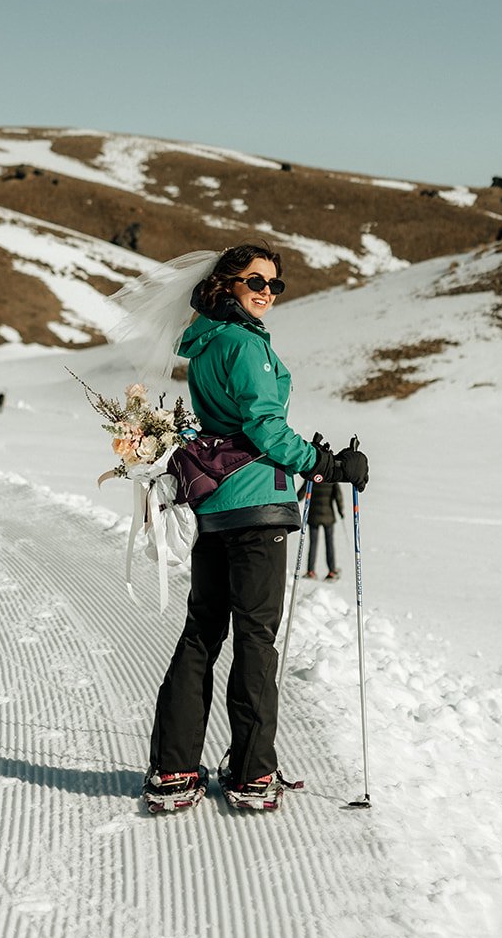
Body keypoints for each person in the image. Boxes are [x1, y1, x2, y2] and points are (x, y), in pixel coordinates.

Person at [143, 243, 369, 813]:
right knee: (254, 640)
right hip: (256, 510)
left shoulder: (207, 343)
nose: (267, 291)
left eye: (275, 284)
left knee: (201, 635)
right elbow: (266, 428)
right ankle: (251, 774)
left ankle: (173, 770)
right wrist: (328, 464)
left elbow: (233, 423)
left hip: (214, 504)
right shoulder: (247, 345)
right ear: (226, 285)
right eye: (255, 281)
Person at [300, 474, 344, 580]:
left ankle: (310, 571)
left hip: (313, 516)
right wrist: (340, 511)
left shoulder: (311, 477)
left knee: (313, 544)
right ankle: (332, 571)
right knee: (329, 543)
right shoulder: (332, 477)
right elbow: (338, 496)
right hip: (328, 516)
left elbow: (300, 494)